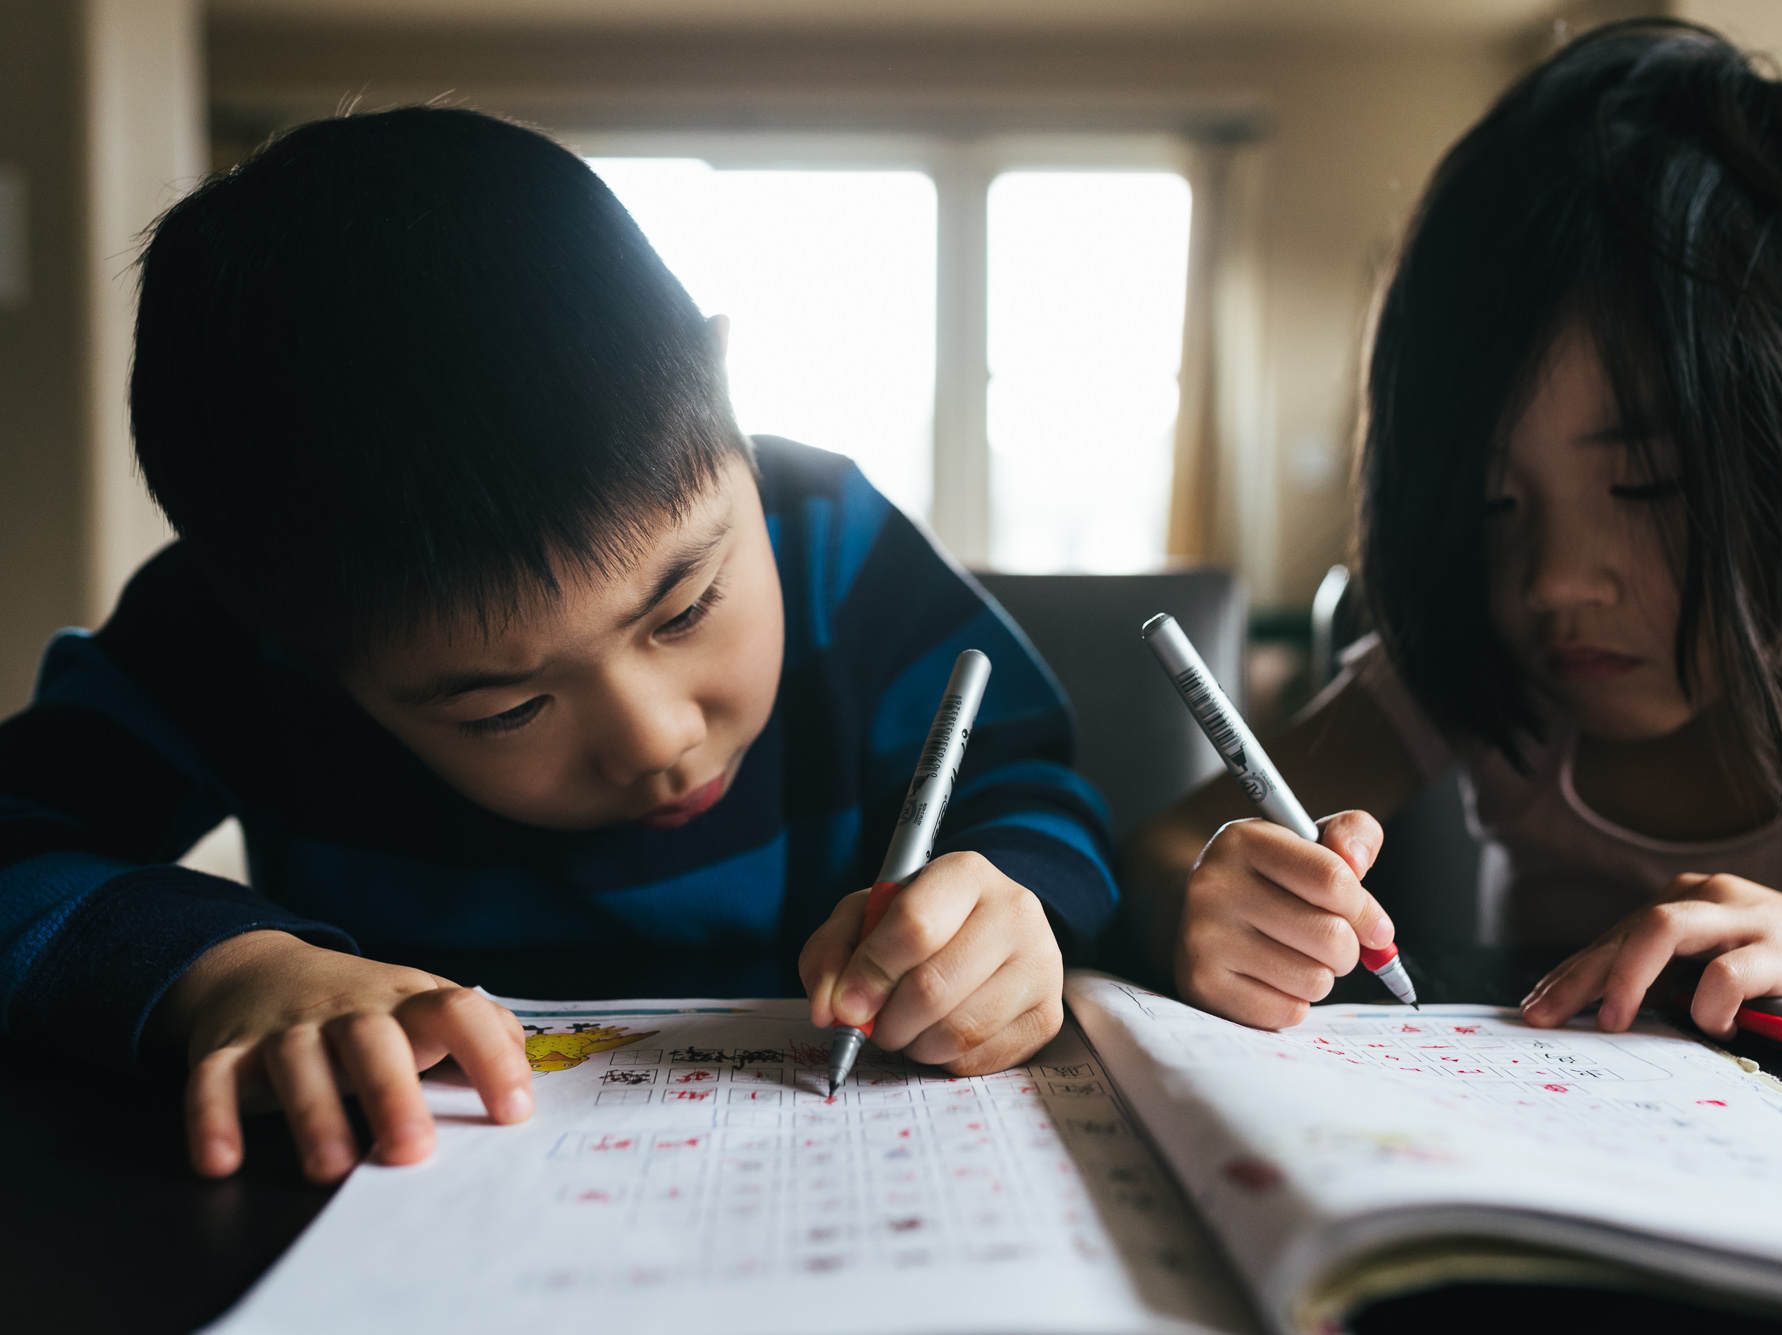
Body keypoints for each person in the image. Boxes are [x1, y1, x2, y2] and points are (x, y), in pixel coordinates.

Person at [0, 107, 1116, 1184]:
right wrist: (230, 974)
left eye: (681, 611)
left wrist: (1008, 905)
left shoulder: (828, 536)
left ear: (723, 398)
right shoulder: (231, 630)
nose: (657, 740)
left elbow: (1025, 773)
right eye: (504, 710)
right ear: (300, 651)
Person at [1122, 20, 1782, 1043]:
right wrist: (1211, 900)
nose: (1551, 583)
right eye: (1494, 501)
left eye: (1648, 486)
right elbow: (1160, 850)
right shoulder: (1477, 669)